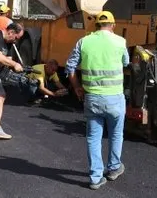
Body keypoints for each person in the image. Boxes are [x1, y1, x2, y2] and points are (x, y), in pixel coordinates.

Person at [65, 11, 128, 190]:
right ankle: (114, 168)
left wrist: (77, 87)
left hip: (92, 97)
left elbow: (70, 67)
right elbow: (126, 62)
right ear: (113, 25)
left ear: (96, 25)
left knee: (94, 137)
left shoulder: (84, 41)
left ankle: (95, 178)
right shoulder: (120, 41)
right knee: (116, 134)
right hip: (115, 97)